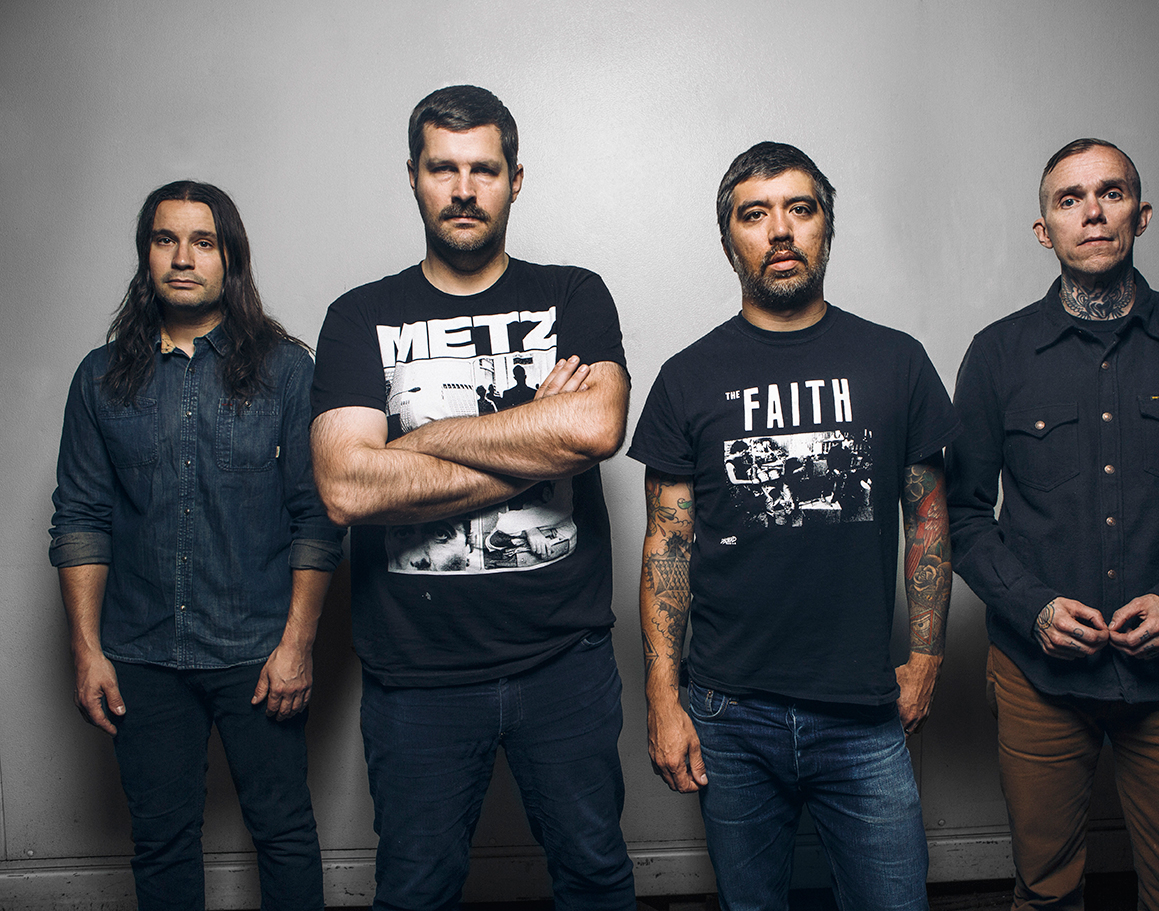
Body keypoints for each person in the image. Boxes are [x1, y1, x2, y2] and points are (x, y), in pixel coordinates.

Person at [309, 85, 635, 910]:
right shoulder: (358, 317)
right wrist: (533, 432)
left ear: (515, 179)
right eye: (442, 169)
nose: (463, 189)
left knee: (596, 878)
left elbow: (596, 427)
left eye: (483, 169)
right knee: (416, 891)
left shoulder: (574, 295)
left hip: (564, 662)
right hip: (416, 673)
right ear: (413, 177)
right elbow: (347, 485)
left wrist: (407, 446)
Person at [946, 138, 1159, 911]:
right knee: (1046, 889)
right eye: (1069, 199)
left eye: (1111, 193)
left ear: (1142, 213)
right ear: (1044, 230)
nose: (1092, 212)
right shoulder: (997, 354)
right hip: (1038, 675)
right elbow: (959, 515)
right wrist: (1031, 606)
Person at [629, 142, 960, 911]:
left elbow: (931, 521)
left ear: (826, 229)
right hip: (727, 713)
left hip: (862, 710)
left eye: (799, 209)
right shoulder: (688, 376)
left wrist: (926, 657)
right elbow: (667, 543)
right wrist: (662, 696)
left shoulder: (896, 362)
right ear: (728, 241)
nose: (780, 230)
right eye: (755, 214)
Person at [49, 180, 343, 911]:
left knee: (282, 830)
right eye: (164, 239)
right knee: (161, 841)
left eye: (202, 241)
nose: (182, 258)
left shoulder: (286, 370)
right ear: (146, 255)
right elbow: (81, 517)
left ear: (230, 259)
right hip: (142, 652)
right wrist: (87, 648)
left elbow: (319, 515)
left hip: (257, 648)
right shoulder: (98, 377)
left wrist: (298, 645)